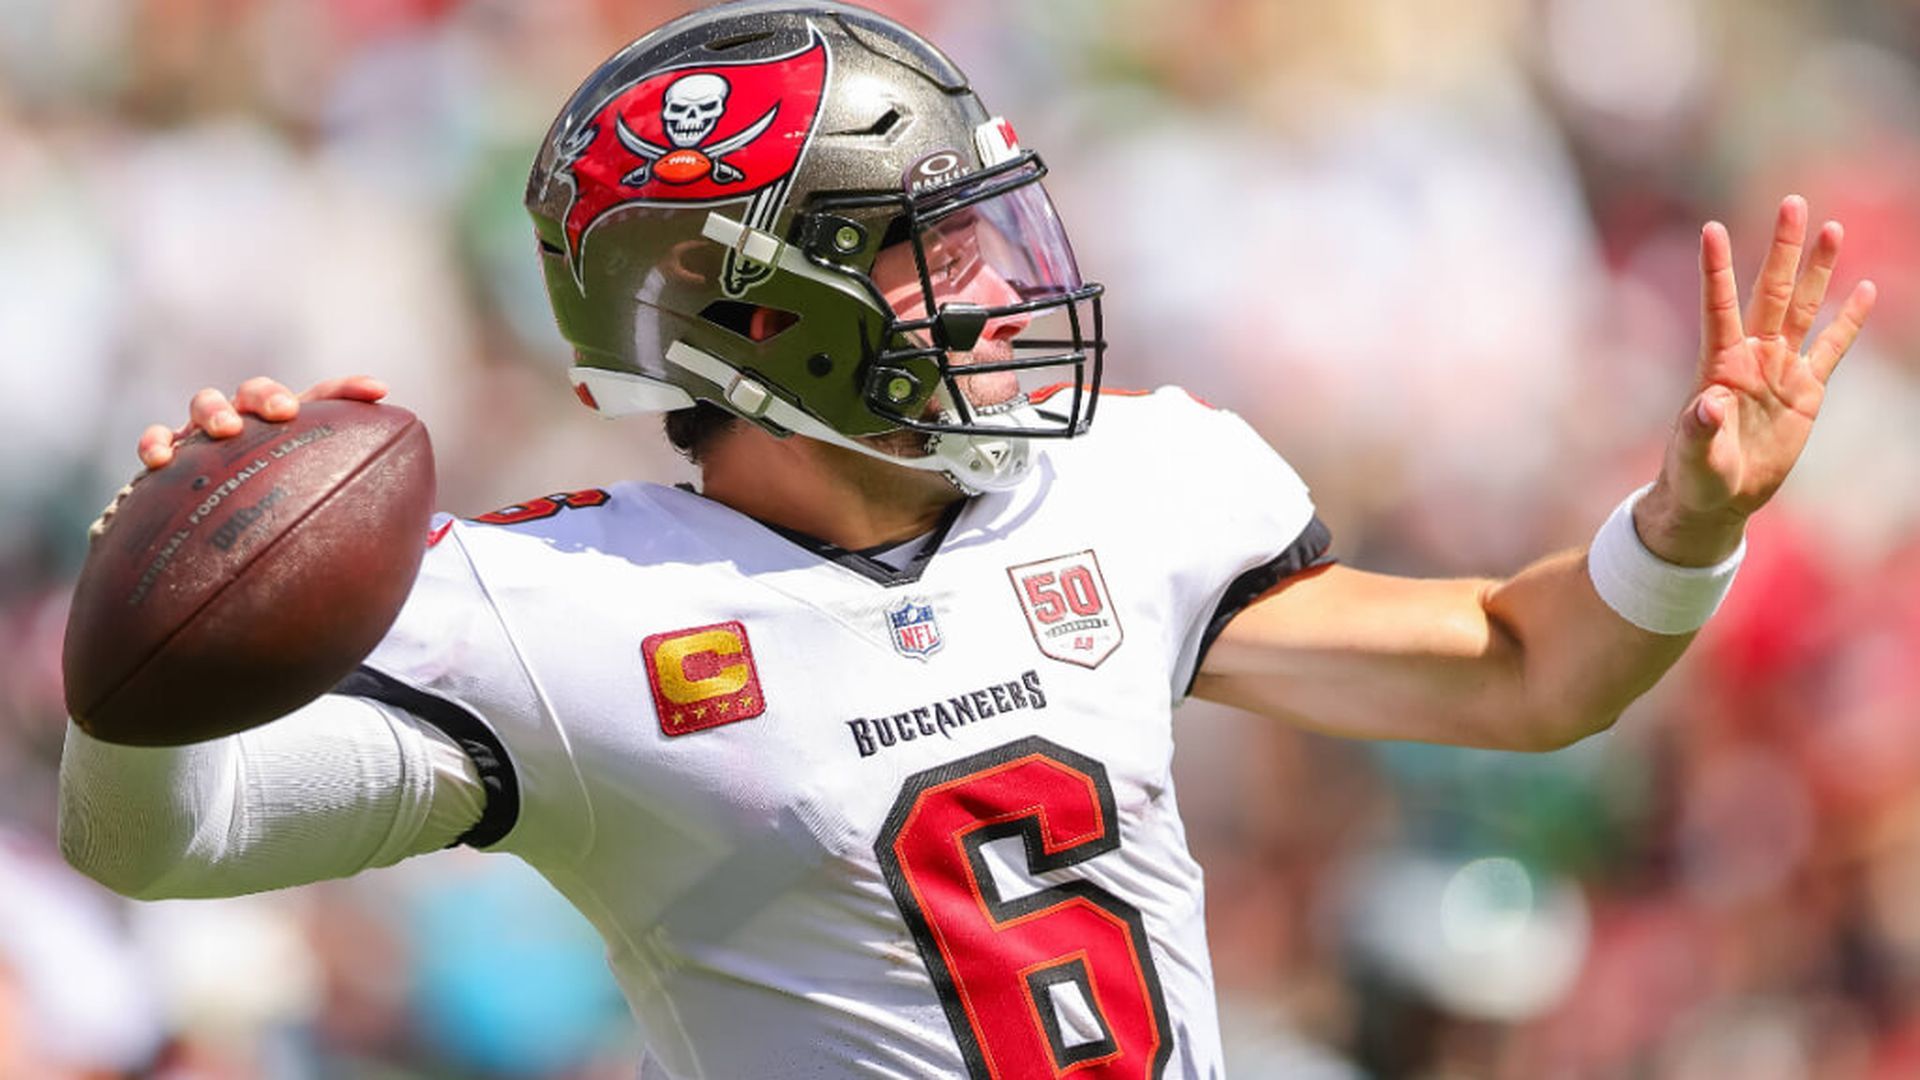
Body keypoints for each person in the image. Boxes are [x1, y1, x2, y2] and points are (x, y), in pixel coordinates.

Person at [58, 2, 1876, 1077]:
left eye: (987, 239)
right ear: (750, 324)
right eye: (928, 255)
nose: (999, 295)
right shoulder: (558, 607)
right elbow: (165, 843)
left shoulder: (1136, 489)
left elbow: (1525, 670)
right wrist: (136, 647)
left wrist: (1683, 524)